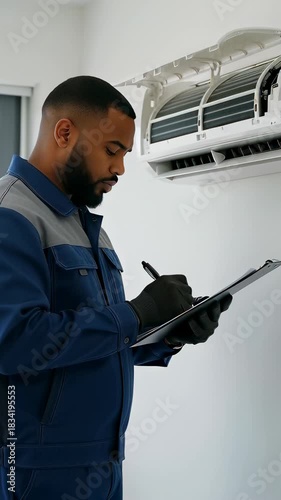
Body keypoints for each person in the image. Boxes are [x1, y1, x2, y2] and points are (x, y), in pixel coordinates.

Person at [0, 76, 232, 500]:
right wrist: (137, 312)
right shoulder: (10, 216)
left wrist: (168, 332)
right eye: (112, 151)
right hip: (33, 473)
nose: (120, 169)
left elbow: (88, 343)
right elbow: (14, 343)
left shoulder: (87, 226)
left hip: (102, 467)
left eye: (124, 154)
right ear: (65, 132)